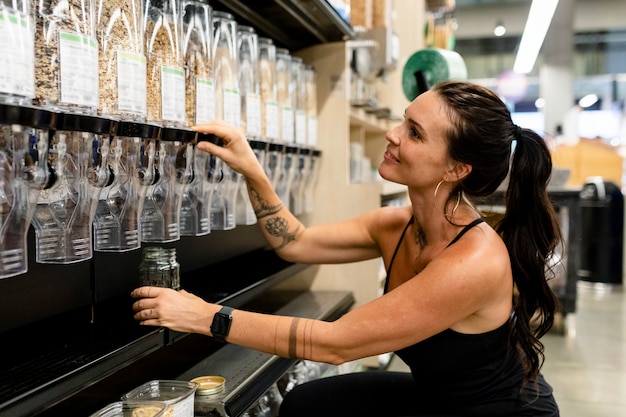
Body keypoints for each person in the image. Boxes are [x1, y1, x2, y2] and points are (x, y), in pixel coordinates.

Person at [131, 80, 562, 416]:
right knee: (307, 405)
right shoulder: (395, 224)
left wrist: (207, 317)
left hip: (495, 411)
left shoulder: (474, 261)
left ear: (456, 168)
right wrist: (252, 170)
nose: (393, 135)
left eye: (413, 132)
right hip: (437, 394)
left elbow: (336, 344)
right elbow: (294, 243)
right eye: (403, 119)